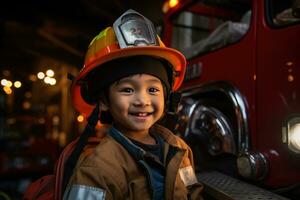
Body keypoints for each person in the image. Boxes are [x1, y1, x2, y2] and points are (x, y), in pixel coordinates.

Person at [63, 9, 203, 200]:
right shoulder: (97, 170)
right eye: (128, 90)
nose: (143, 101)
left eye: (153, 90)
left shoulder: (178, 148)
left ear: (167, 97)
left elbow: (192, 192)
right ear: (103, 102)